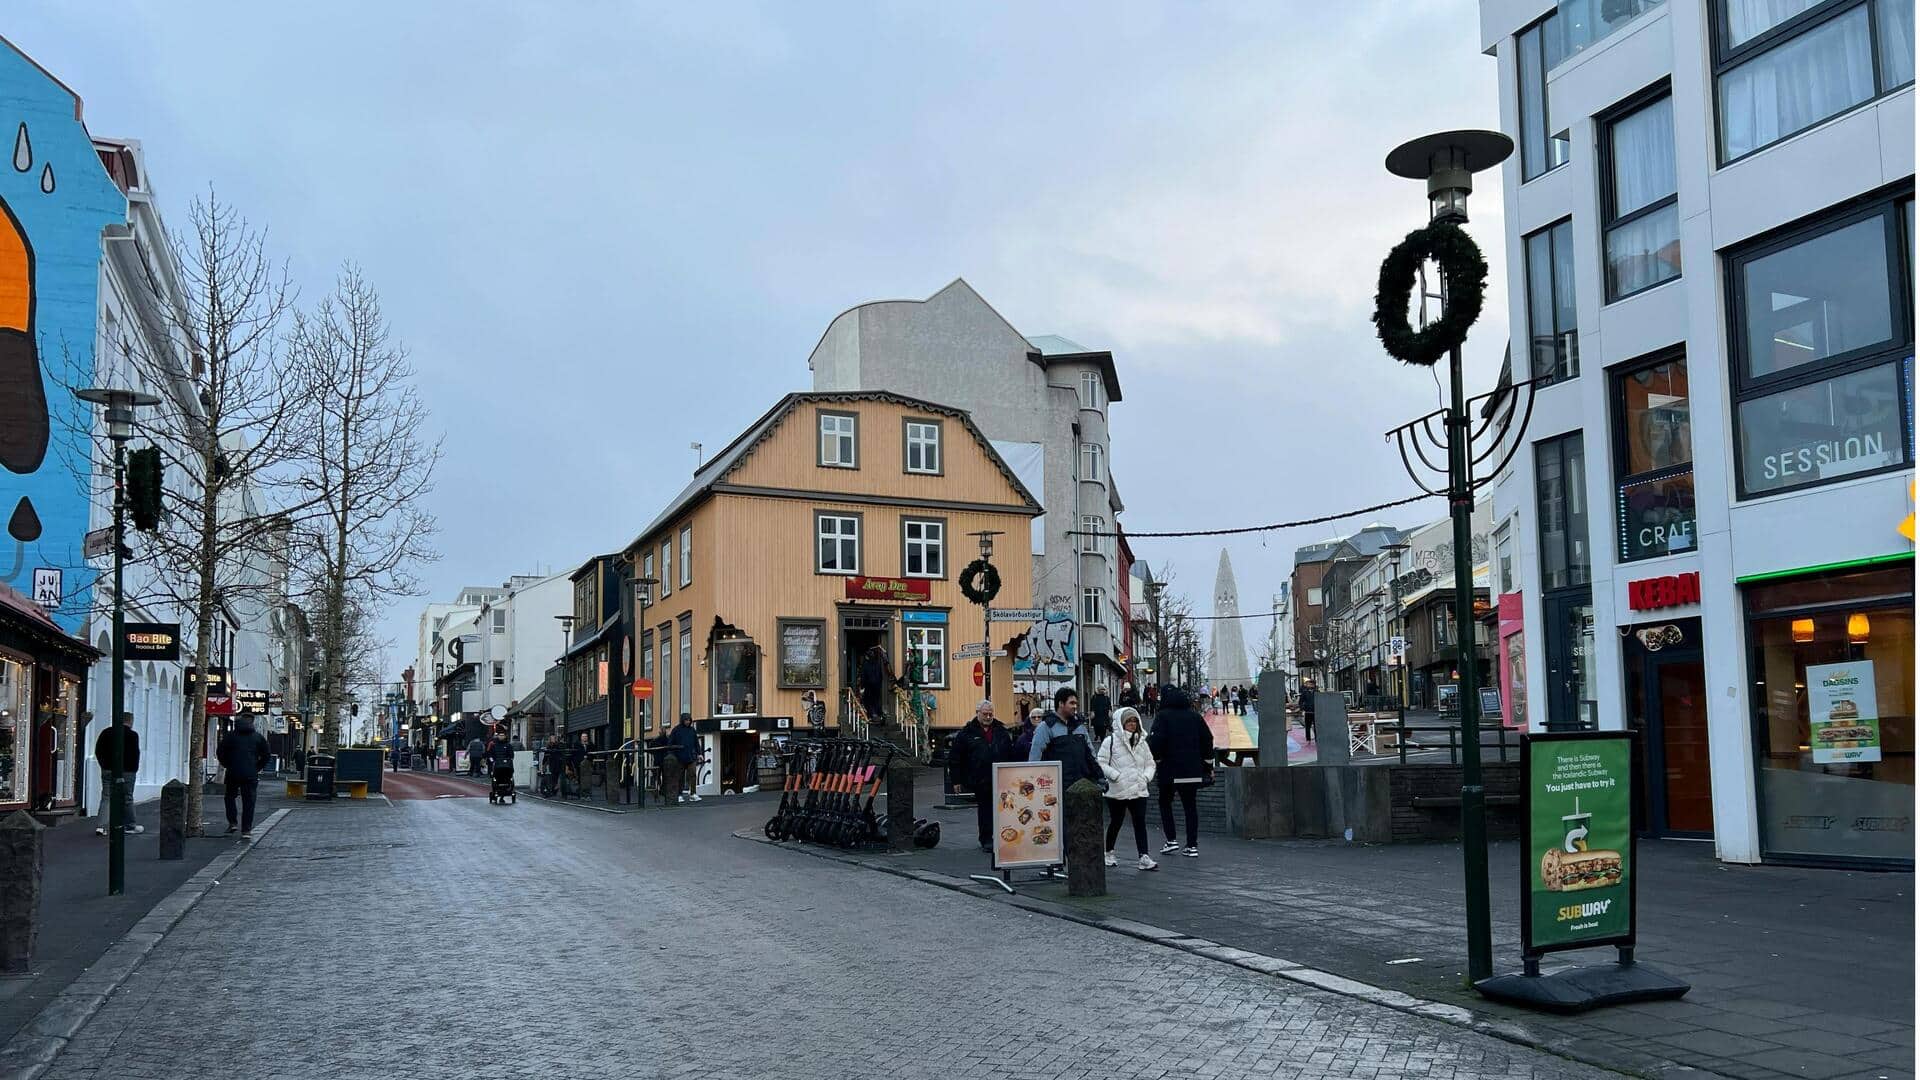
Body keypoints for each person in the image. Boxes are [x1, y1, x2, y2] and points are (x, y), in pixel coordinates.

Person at [1147, 686, 1213, 858]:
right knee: (1190, 806)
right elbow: (1207, 739)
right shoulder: (1194, 716)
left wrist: (1157, 758)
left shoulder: (1163, 717)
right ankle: (1192, 845)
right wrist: (1207, 765)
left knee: (1165, 802)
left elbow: (1155, 741)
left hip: (1169, 769)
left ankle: (1171, 840)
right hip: (1191, 770)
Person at [1098, 706, 1158, 871]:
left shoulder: (1142, 742)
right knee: (1116, 822)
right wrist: (1115, 776)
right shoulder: (1110, 741)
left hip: (1139, 788)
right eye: (1128, 721)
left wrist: (1146, 777)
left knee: (1140, 822)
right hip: (1117, 790)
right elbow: (1101, 762)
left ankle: (1143, 856)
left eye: (1134, 721)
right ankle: (1108, 852)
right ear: (1120, 723)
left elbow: (1150, 763)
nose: (1132, 724)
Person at [949, 700, 1014, 851]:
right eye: (985, 714)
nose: (988, 717)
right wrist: (956, 780)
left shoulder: (1001, 731)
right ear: (978, 713)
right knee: (985, 809)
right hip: (980, 777)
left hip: (1001, 777)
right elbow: (955, 757)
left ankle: (1004, 835)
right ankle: (986, 838)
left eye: (991, 714)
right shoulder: (966, 733)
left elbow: (1011, 753)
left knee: (1005, 808)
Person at [215, 710, 271, 837]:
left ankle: (233, 822)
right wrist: (256, 767)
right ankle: (246, 829)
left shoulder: (231, 736)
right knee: (249, 801)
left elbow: (220, 752)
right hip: (250, 773)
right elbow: (266, 755)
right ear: (252, 722)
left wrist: (228, 764)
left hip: (233, 772)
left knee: (230, 797)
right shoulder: (258, 737)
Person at [93, 712, 144, 836]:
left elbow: (98, 750)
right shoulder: (132, 735)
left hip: (108, 770)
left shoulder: (106, 733)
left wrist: (104, 766)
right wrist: (133, 770)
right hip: (127, 771)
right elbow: (135, 754)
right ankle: (130, 826)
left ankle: (101, 827)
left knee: (106, 797)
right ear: (130, 721)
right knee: (127, 798)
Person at [668, 713, 700, 803]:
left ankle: (693, 794)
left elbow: (696, 743)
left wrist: (699, 753)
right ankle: (679, 794)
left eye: (689, 720)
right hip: (679, 757)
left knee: (693, 774)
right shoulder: (676, 730)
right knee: (680, 777)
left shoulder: (692, 730)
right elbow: (670, 743)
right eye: (686, 720)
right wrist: (673, 753)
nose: (688, 722)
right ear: (682, 720)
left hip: (691, 756)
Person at [1299, 679, 1318, 743]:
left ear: (1313, 685)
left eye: (1310, 684)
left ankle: (1317, 739)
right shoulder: (1304, 692)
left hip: (1316, 712)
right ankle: (1308, 739)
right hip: (1307, 711)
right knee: (1307, 726)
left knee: (1316, 726)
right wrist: (1302, 709)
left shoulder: (1317, 692)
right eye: (1308, 684)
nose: (1309, 685)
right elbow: (1301, 701)